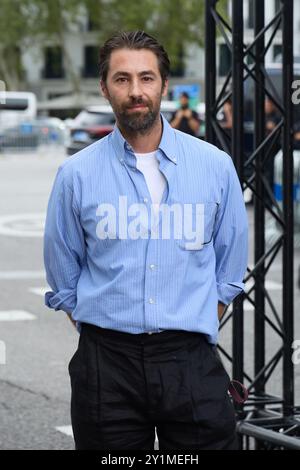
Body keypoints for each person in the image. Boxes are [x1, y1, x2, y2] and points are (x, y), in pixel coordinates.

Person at [44, 30, 248, 451]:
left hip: (190, 359)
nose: (135, 91)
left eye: (146, 78)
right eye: (122, 79)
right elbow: (63, 277)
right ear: (104, 87)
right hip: (106, 364)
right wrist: (105, 330)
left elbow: (229, 270)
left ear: (164, 84)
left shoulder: (214, 166)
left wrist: (191, 324)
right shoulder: (76, 175)